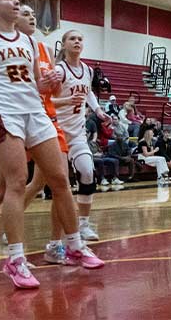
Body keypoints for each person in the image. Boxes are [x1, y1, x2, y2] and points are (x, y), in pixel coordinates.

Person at [0, 0, 102, 289]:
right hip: (5, 115)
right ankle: (15, 258)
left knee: (59, 180)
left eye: (18, 0)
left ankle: (74, 244)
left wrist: (49, 83)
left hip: (36, 113)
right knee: (14, 184)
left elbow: (37, 85)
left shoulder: (30, 42)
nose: (16, 3)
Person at [0, 4, 76, 267]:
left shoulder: (39, 48)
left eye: (33, 13)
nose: (31, 16)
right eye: (25, 13)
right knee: (4, 190)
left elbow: (49, 92)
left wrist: (54, 84)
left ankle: (56, 246)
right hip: (10, 121)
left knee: (56, 182)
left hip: (42, 120)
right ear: (9, 20)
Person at [53, 29, 113, 240]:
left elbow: (87, 93)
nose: (77, 41)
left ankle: (84, 225)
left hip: (77, 133)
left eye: (80, 38)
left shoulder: (87, 70)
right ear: (64, 44)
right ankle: (12, 224)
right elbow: (44, 101)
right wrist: (67, 101)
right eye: (72, 38)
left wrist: (97, 110)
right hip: (55, 132)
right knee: (39, 184)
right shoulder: (59, 71)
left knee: (87, 172)